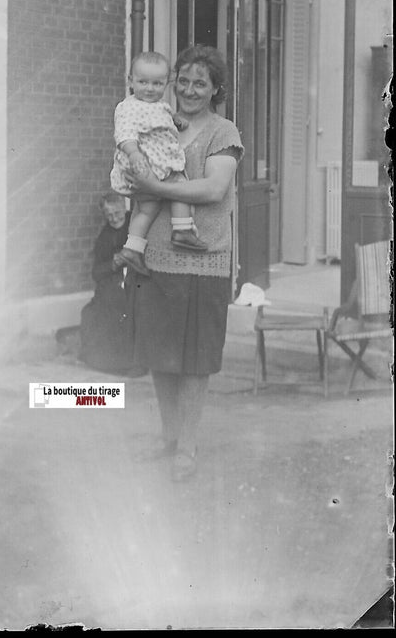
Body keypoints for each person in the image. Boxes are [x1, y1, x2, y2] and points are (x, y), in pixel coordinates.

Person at [125, 44, 244, 482]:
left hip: (203, 260)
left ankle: (187, 449)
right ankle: (168, 438)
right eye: (185, 80)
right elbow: (131, 165)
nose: (191, 89)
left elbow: (213, 190)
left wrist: (156, 185)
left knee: (195, 360)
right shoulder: (156, 121)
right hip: (156, 257)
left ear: (215, 89)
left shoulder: (223, 132)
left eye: (201, 83)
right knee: (161, 355)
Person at [110, 51, 207, 277]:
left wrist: (176, 120)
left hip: (154, 163)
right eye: (143, 82)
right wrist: (134, 154)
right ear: (130, 81)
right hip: (145, 162)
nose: (150, 88)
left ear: (166, 83)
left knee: (147, 208)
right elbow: (124, 134)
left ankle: (132, 249)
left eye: (157, 83)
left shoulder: (161, 106)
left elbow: (162, 118)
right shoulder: (128, 107)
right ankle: (182, 228)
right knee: (180, 185)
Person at [79, 191, 146, 376]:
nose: (114, 218)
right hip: (114, 282)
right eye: (109, 216)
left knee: (127, 306)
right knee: (96, 310)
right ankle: (108, 362)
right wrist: (113, 263)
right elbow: (96, 272)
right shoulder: (104, 237)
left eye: (117, 213)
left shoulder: (136, 226)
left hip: (139, 281)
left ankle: (134, 363)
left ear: (123, 209)